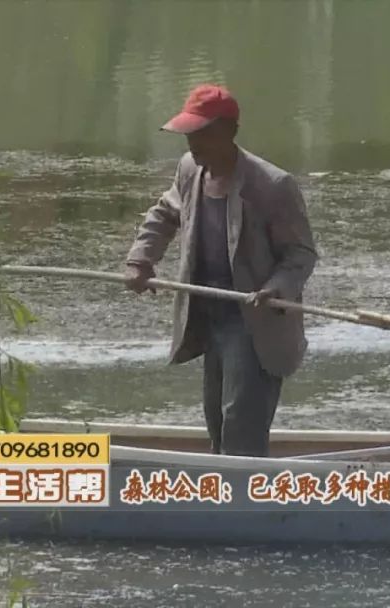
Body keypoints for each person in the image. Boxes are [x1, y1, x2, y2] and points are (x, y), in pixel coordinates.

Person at [123, 84, 318, 457]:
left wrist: (277, 288)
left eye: (202, 134)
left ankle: (243, 489)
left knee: (240, 420)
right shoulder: (190, 169)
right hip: (208, 312)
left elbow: (300, 255)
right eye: (189, 135)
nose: (193, 144)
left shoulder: (272, 186)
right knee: (216, 417)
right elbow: (164, 214)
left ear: (229, 131)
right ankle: (222, 479)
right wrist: (140, 259)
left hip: (253, 320)